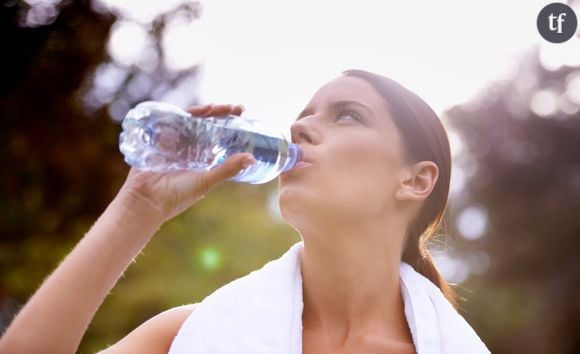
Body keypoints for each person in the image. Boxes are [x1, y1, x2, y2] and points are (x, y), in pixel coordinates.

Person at [0, 70, 489, 354]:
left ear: (415, 180)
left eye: (346, 115)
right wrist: (138, 208)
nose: (299, 127)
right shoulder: (189, 335)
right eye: (304, 113)